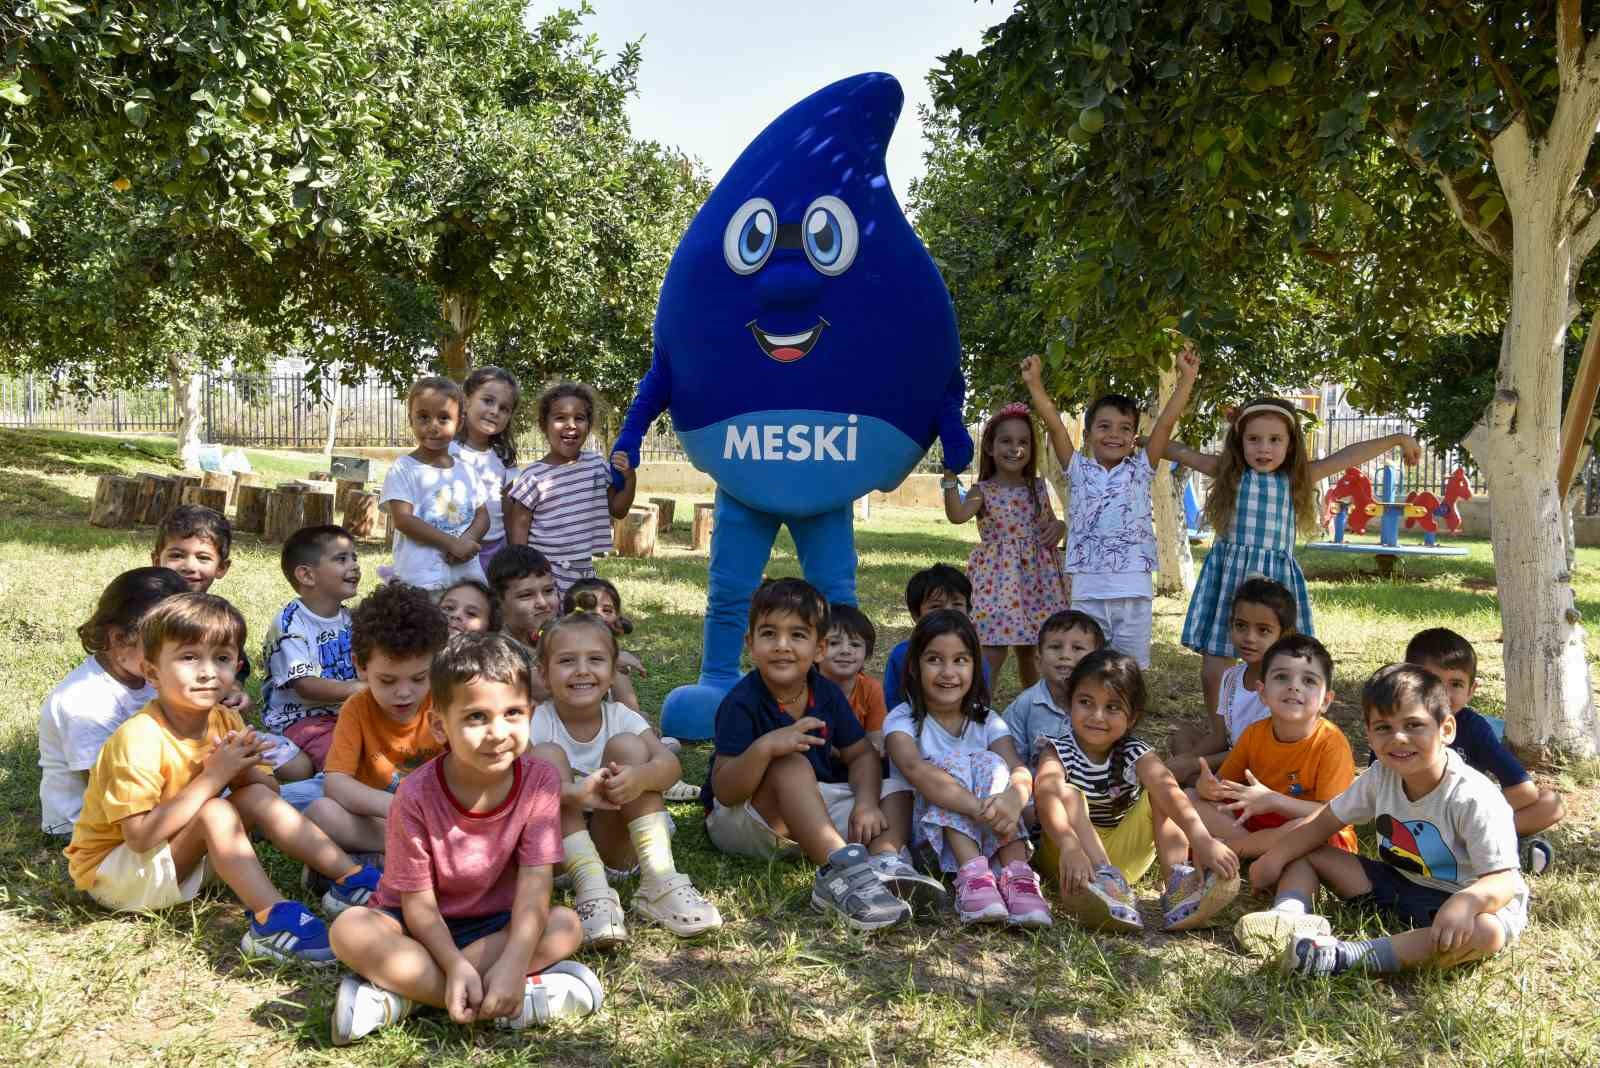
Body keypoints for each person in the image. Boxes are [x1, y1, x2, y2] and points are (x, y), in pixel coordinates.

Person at [64, 594, 381, 964]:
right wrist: (214, 776)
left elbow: (270, 795)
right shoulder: (138, 739)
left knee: (253, 798)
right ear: (152, 673)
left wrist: (243, 771)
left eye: (222, 658)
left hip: (177, 855)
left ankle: (349, 878)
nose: (208, 672)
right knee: (215, 810)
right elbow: (140, 838)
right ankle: (270, 919)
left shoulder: (224, 719)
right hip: (116, 876)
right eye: (188, 657)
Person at [327, 632, 601, 1044]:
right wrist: (454, 965)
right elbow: (417, 906)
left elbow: (534, 890)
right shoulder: (415, 795)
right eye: (476, 717)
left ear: (531, 713)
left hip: (497, 924)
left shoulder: (540, 783)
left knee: (565, 925)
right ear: (440, 725)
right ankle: (510, 1000)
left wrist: (513, 959)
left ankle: (400, 1000)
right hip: (414, 928)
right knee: (348, 929)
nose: (497, 732)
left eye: (513, 713)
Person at [1239, 665, 1529, 977]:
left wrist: (1467, 903)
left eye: (1413, 725)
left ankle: (1345, 958)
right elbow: (1323, 822)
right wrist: (1274, 858)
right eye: (1383, 728)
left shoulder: (1474, 797)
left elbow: (1504, 881)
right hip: (1399, 883)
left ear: (1446, 729)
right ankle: (1289, 916)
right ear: (1369, 735)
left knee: (1487, 934)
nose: (1399, 738)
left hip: (1465, 904)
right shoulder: (1381, 776)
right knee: (1307, 849)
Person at [1161, 397, 1421, 713]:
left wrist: (1397, 439)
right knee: (1216, 661)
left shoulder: (1295, 479)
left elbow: (1348, 455)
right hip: (1229, 578)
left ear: (1291, 443)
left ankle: (1270, 723)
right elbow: (1177, 451)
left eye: (1275, 440)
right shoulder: (1229, 472)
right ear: (1239, 440)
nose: (1263, 449)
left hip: (1275, 583)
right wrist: (1143, 440)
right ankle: (1218, 728)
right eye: (1253, 439)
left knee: (1280, 659)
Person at [702, 578, 934, 931]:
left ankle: (887, 862)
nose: (782, 646)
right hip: (745, 819)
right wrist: (765, 748)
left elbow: (860, 755)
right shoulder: (741, 702)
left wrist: (867, 804)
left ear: (819, 648)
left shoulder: (825, 693)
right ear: (750, 644)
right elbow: (726, 791)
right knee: (789, 763)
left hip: (808, 812)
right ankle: (841, 873)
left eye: (797, 635)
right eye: (769, 634)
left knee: (894, 778)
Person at [530, 597, 722, 946]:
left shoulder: (621, 715)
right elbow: (516, 792)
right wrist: (570, 792)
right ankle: (592, 894)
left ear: (614, 669)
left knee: (631, 749)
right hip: (560, 857)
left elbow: (670, 765)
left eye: (596, 660)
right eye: (567, 661)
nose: (582, 670)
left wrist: (639, 778)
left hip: (616, 844)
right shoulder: (536, 721)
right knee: (544, 757)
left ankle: (659, 881)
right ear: (543, 673)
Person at [1033, 650, 1241, 932]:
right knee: (1066, 793)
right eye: (1085, 702)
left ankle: (1178, 885)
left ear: (1132, 717)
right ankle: (1104, 882)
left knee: (1162, 790)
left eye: (1112, 707)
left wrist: (1201, 839)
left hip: (1126, 858)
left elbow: (1169, 791)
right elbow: (1045, 795)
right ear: (1068, 704)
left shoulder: (1135, 753)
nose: (1097, 716)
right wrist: (1069, 845)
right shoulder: (1056, 750)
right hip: (1069, 856)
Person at [1021, 342, 1199, 668]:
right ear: (1087, 435)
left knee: (1128, 672)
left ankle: (1126, 719)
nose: (1114, 435)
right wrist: (1035, 384)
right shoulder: (1077, 469)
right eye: (1104, 427)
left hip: (1134, 593)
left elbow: (1164, 423)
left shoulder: (1141, 468)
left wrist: (1186, 379)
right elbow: (1055, 425)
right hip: (1088, 594)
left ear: (1134, 438)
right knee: (1087, 670)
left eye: (1124, 429)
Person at [882, 610, 1047, 926]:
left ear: (976, 667)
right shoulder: (903, 720)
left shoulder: (986, 719)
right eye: (934, 660)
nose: (948, 671)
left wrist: (1014, 798)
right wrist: (975, 807)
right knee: (951, 765)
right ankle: (973, 878)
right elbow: (915, 770)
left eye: (960, 660)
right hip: (929, 838)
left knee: (992, 763)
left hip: (991, 829)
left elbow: (1017, 768)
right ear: (915, 668)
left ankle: (1019, 878)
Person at [303, 583, 452, 859]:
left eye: (419, 678)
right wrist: (397, 806)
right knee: (320, 813)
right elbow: (336, 784)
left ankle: (381, 861)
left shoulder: (448, 704)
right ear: (360, 665)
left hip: (442, 822)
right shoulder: (357, 709)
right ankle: (408, 857)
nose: (404, 692)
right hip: (384, 820)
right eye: (387, 680)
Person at [38, 567, 189, 838]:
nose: (176, 658)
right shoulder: (85, 704)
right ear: (118, 639)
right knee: (222, 812)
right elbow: (108, 793)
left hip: (154, 793)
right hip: (95, 824)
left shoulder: (145, 673)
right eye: (161, 646)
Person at [1405, 627, 1564, 873]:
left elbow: (1524, 791)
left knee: (1549, 803)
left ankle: (1478, 846)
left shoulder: (1474, 727)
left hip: (1465, 818)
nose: (1443, 694)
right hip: (1413, 821)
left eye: (1455, 683)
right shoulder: (1396, 724)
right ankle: (1498, 851)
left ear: (1471, 690)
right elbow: (1377, 787)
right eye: (1433, 682)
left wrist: (1474, 811)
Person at [1190, 634, 1358, 859]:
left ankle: (1231, 850)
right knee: (1190, 797)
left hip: (1315, 831)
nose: (1294, 687)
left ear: (1326, 700)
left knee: (1302, 827)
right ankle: (1253, 847)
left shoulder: (1331, 742)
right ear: (1262, 693)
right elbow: (1223, 787)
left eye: (1308, 681)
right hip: (1260, 820)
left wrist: (1273, 800)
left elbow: (1334, 815)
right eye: (1281, 677)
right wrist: (1206, 788)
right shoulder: (1255, 733)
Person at [941, 402, 1066, 687]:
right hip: (998, 582)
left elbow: (1053, 523)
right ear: (990, 447)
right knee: (993, 650)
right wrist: (949, 481)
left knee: (1033, 650)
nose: (1015, 448)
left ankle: (1034, 709)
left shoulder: (1038, 488)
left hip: (1038, 582)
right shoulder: (983, 490)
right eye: (1006, 441)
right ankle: (977, 711)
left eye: (1023, 442)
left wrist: (1060, 528)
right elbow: (957, 516)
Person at [505, 383, 637, 595]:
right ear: (543, 425)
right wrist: (524, 570)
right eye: (560, 418)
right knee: (547, 626)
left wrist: (630, 479)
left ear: (589, 424)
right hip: (543, 572)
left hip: (583, 572)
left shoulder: (596, 465)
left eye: (579, 418)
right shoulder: (533, 476)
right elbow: (518, 527)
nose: (571, 425)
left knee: (579, 624)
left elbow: (618, 510)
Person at [1166, 577, 1298, 785]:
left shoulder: (1285, 689)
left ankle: (1196, 785)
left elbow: (1255, 754)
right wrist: (1187, 760)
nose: (1249, 638)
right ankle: (1193, 783)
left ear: (1284, 635)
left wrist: (1192, 764)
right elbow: (1219, 737)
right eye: (1241, 626)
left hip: (1258, 768)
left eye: (1263, 630)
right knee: (1181, 735)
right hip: (1229, 756)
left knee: (1193, 775)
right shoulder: (1231, 676)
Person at [261, 525, 363, 774]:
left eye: (354, 558)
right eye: (341, 559)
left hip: (346, 712)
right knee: (346, 760)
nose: (355, 566)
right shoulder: (290, 623)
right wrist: (360, 689)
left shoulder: (352, 618)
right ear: (307, 575)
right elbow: (305, 684)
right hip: (302, 719)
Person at [381, 375, 491, 593]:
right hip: (421, 579)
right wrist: (451, 544)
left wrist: (466, 540)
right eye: (423, 417)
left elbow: (482, 515)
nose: (433, 426)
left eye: (443, 418)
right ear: (410, 420)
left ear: (459, 423)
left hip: (465, 576)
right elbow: (403, 520)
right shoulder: (404, 469)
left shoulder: (466, 471)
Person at [1003, 609, 1106, 767]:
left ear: (1097, 660)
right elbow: (1010, 760)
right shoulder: (1023, 706)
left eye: (1077, 648)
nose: (1065, 655)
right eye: (1055, 647)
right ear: (1038, 660)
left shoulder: (1104, 705)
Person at [881, 564, 991, 711]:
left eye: (957, 605)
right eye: (936, 607)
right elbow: (893, 702)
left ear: (968, 611)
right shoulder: (901, 655)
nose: (948, 613)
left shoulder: (974, 656)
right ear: (916, 615)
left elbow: (980, 701)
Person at [450, 366, 522, 575]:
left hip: (495, 549)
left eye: (504, 408)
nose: (494, 411)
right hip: (455, 545)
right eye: (488, 401)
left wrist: (511, 549)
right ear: (466, 401)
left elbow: (508, 507)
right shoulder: (447, 451)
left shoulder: (503, 457)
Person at [488, 545, 561, 704]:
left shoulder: (565, 631)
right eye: (526, 595)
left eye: (548, 591)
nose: (542, 603)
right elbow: (544, 688)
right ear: (498, 602)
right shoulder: (498, 649)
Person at [818, 604, 888, 749]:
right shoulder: (804, 687)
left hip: (860, 760)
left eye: (855, 645)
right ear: (816, 649)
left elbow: (875, 742)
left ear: (867, 652)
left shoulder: (871, 690)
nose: (845, 650)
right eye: (834, 643)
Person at [150, 504, 233, 593]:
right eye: (177, 556)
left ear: (221, 567)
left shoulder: (221, 607)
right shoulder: (140, 605)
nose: (189, 567)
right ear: (157, 562)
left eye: (203, 558)